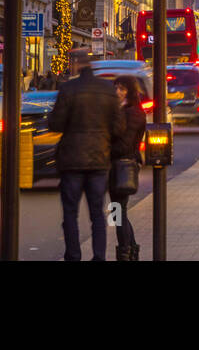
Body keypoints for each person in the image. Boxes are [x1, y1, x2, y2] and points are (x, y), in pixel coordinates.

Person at [45, 60, 126, 261]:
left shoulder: (68, 88)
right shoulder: (107, 90)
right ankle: (99, 256)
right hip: (99, 158)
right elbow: (119, 128)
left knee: (70, 213)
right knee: (97, 213)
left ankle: (73, 255)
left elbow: (55, 123)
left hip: (71, 159)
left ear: (76, 67)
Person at [109, 75, 146, 261]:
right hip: (118, 166)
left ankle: (125, 252)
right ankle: (130, 250)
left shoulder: (132, 113)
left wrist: (105, 149)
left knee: (117, 212)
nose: (117, 92)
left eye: (122, 89)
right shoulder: (124, 110)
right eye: (116, 88)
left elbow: (124, 144)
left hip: (122, 166)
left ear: (130, 92)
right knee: (118, 211)